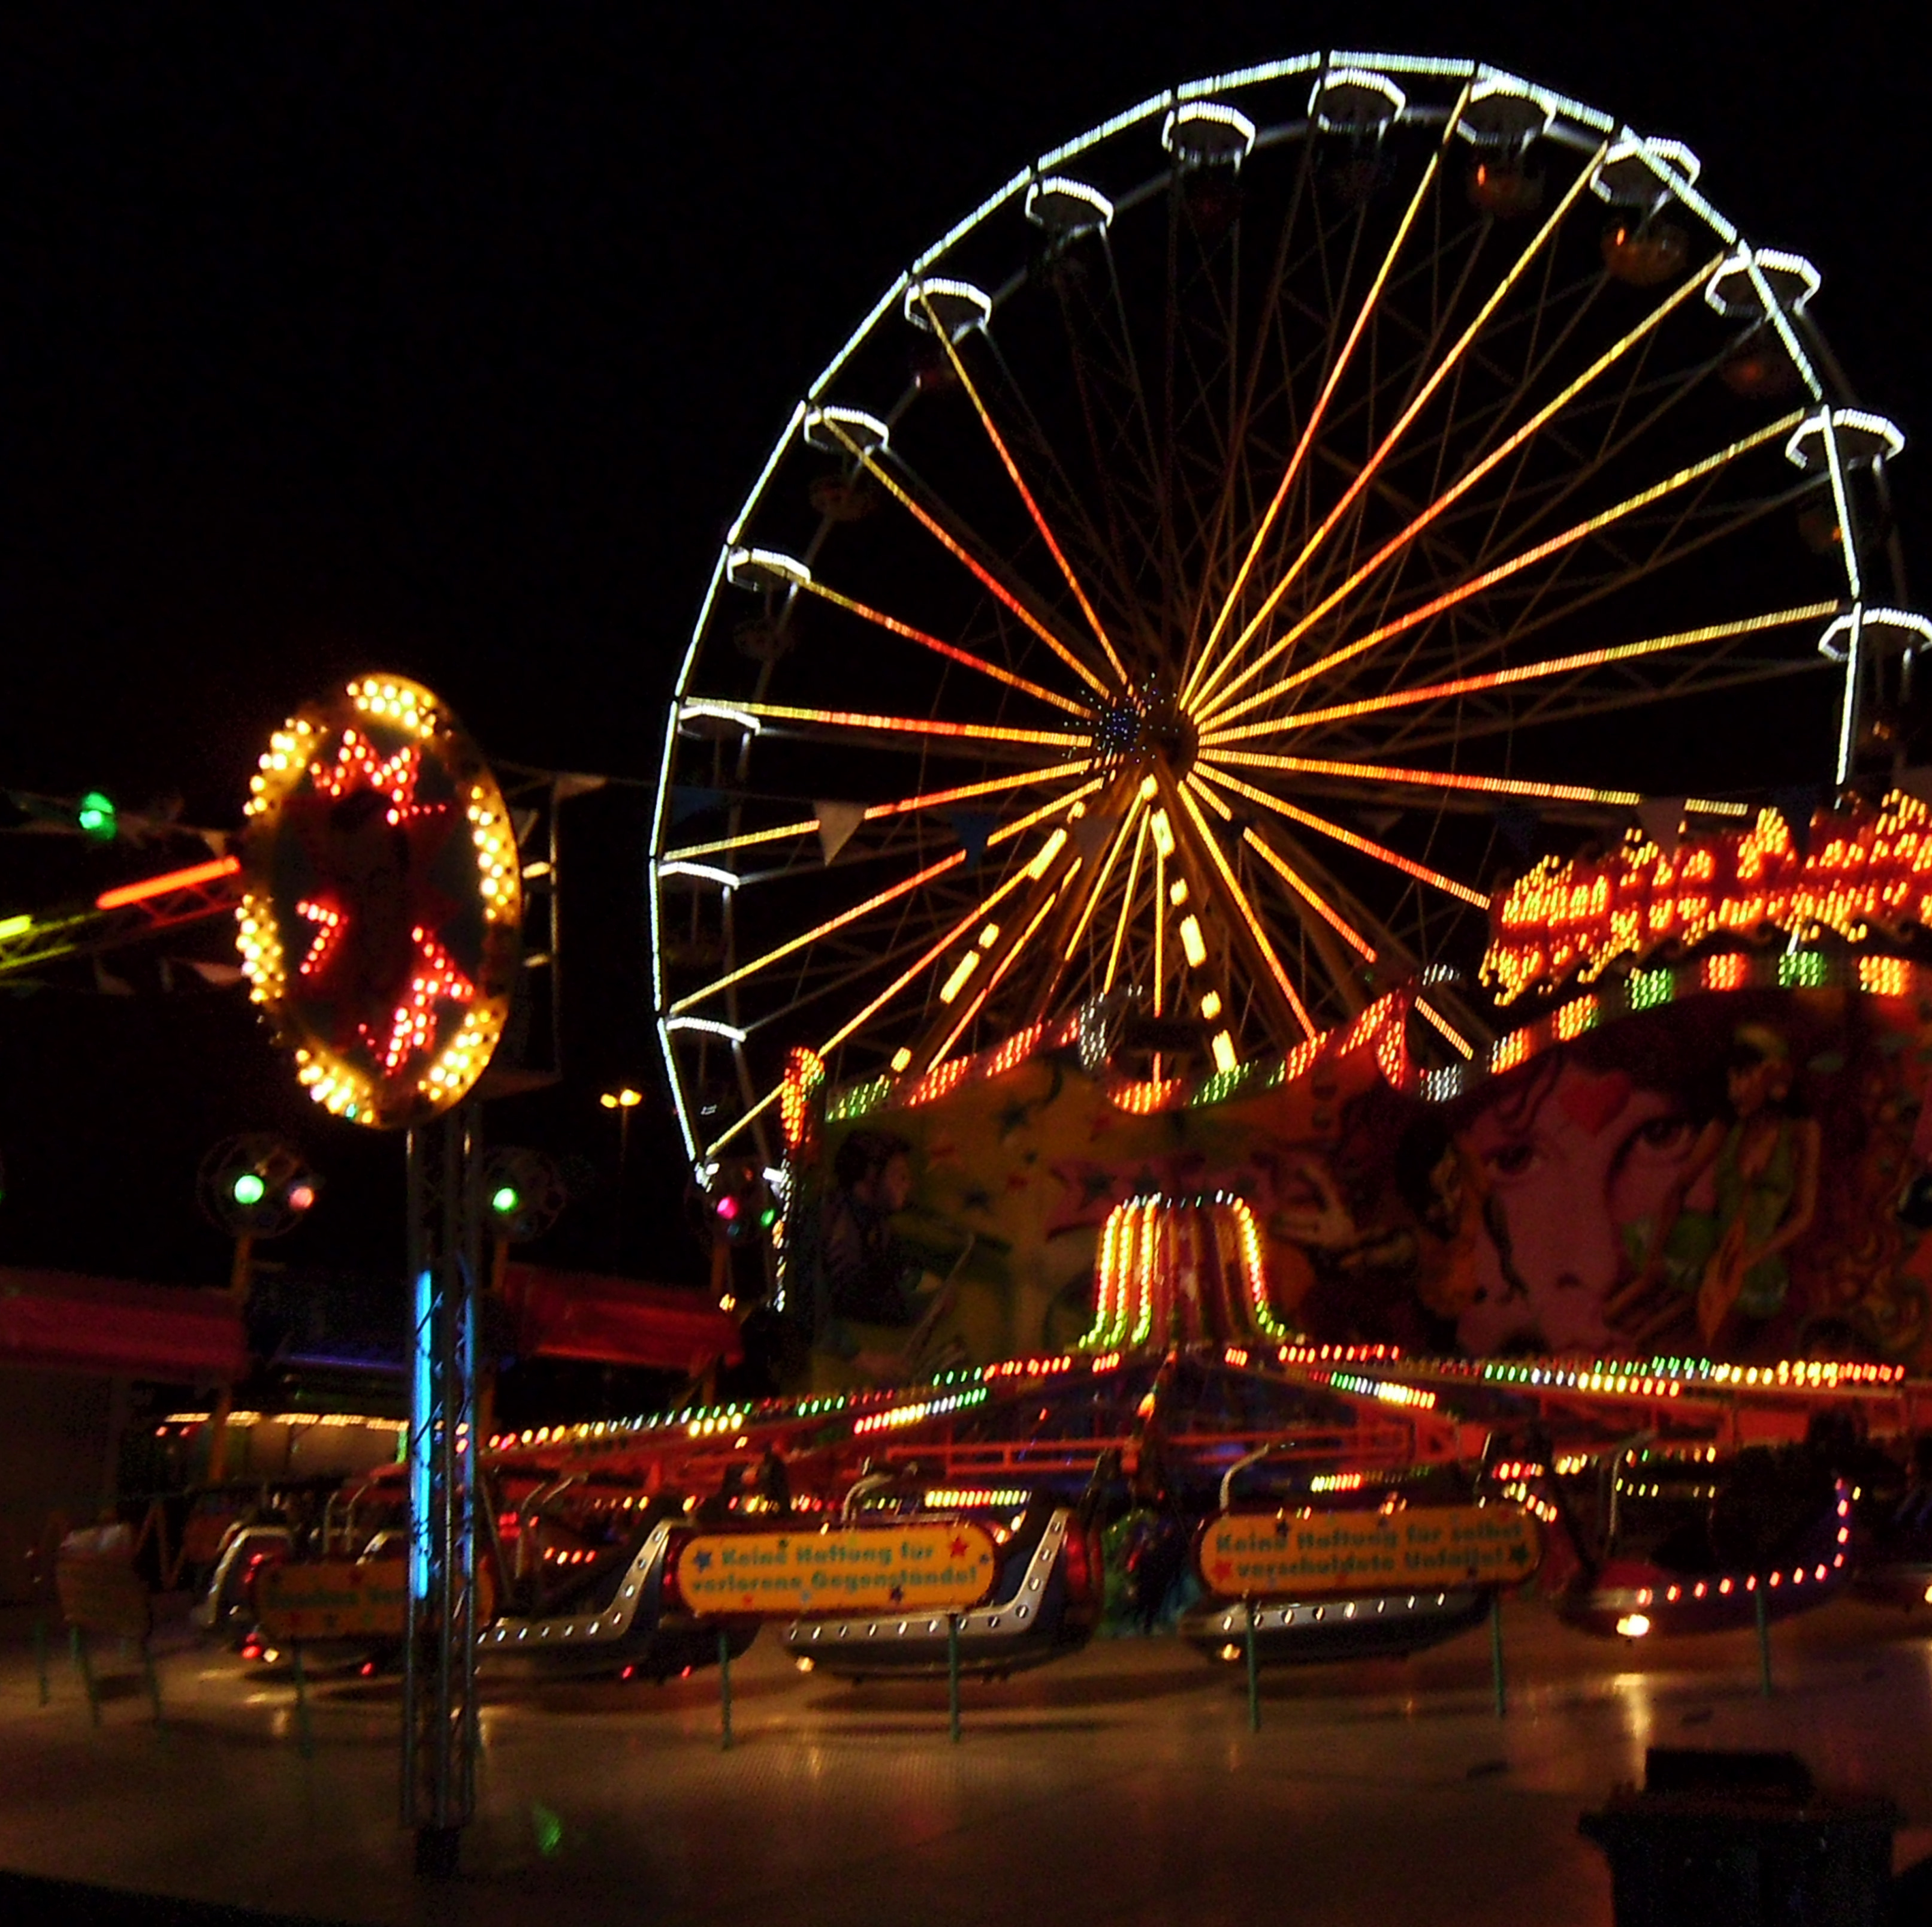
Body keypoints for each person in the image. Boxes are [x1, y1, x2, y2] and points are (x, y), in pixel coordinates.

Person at [1613, 1023, 1821, 1349]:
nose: (1734, 1090)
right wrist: (1654, 1257)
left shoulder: (1801, 1132)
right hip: (1711, 1247)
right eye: (1730, 1079)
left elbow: (1803, 1214)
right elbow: (1679, 1188)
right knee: (1631, 1321)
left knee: (1704, 1340)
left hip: (1756, 1260)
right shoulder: (1725, 1128)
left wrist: (1753, 1257)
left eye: (1744, 1077)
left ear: (1771, 1077)